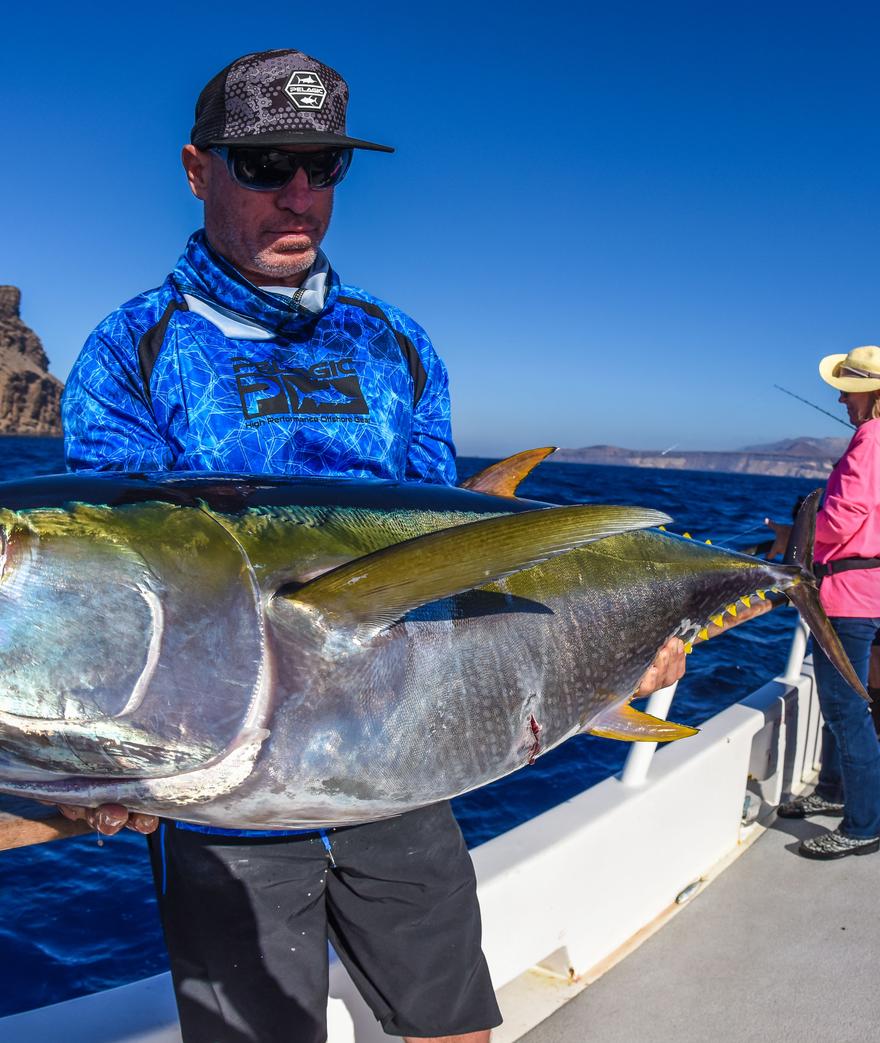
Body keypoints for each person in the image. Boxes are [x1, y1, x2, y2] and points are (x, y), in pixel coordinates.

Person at [58, 48, 686, 1042]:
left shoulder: (393, 343)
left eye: (325, 166)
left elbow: (455, 556)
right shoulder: (133, 347)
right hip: (228, 799)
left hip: (403, 758)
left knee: (454, 1026)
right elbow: (115, 582)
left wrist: (609, 640)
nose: (299, 194)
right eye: (265, 167)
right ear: (196, 168)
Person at [772, 345, 880, 859]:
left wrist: (795, 538)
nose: (840, 397)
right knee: (847, 707)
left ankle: (864, 825)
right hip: (869, 594)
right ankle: (836, 791)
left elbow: (844, 516)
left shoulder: (871, 440)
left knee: (846, 711)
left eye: (849, 388)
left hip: (850, 600)